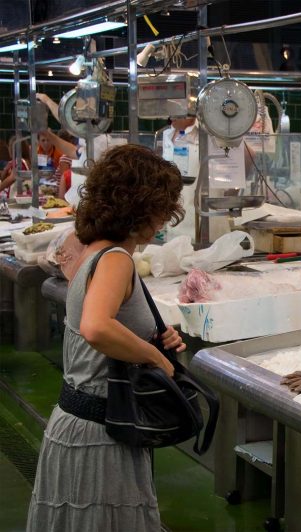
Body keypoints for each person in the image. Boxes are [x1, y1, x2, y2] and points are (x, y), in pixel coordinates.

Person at [26, 144, 186, 532]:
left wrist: (153, 335)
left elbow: (103, 318)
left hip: (78, 421)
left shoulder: (91, 251)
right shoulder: (116, 259)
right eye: (163, 207)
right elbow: (96, 326)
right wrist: (155, 357)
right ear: (141, 207)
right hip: (101, 432)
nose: (166, 218)